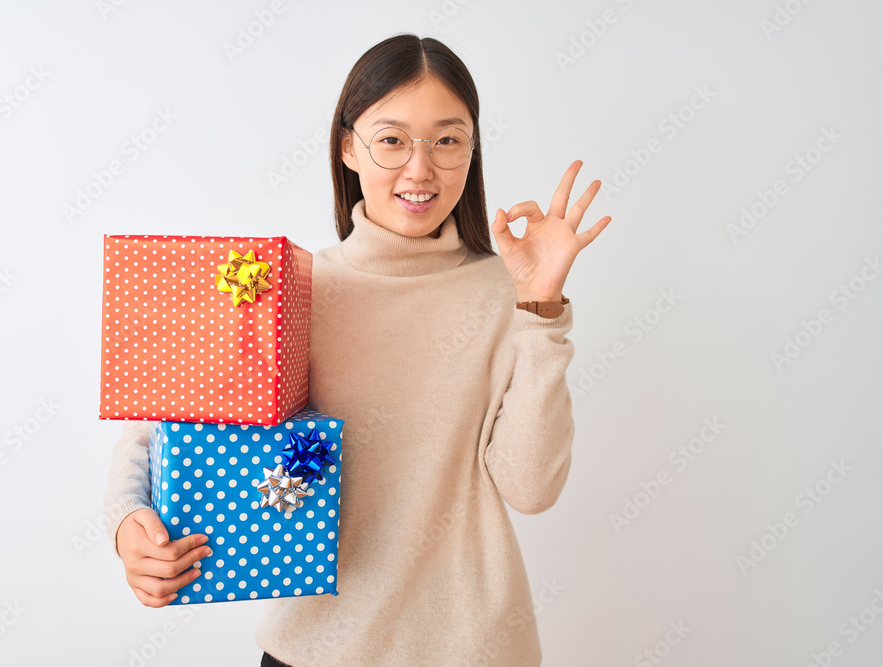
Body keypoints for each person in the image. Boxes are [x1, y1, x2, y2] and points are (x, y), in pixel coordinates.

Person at [103, 33, 611, 667]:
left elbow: (532, 488)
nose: (420, 169)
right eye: (392, 139)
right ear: (349, 146)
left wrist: (539, 311)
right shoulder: (289, 287)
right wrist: (129, 522)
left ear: (472, 149)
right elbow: (162, 429)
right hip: (312, 650)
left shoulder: (510, 291)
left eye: (447, 140)